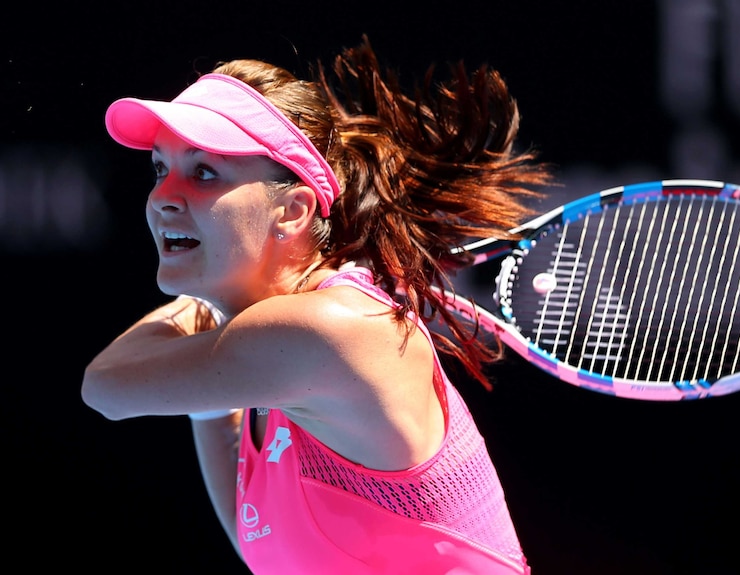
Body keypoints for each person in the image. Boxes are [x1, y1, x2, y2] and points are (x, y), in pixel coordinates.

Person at [81, 36, 556, 575]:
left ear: (291, 210)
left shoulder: (327, 332)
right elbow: (264, 549)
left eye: (203, 172)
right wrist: (218, 304)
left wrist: (210, 306)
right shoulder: (275, 348)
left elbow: (106, 386)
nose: (163, 195)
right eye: (159, 168)